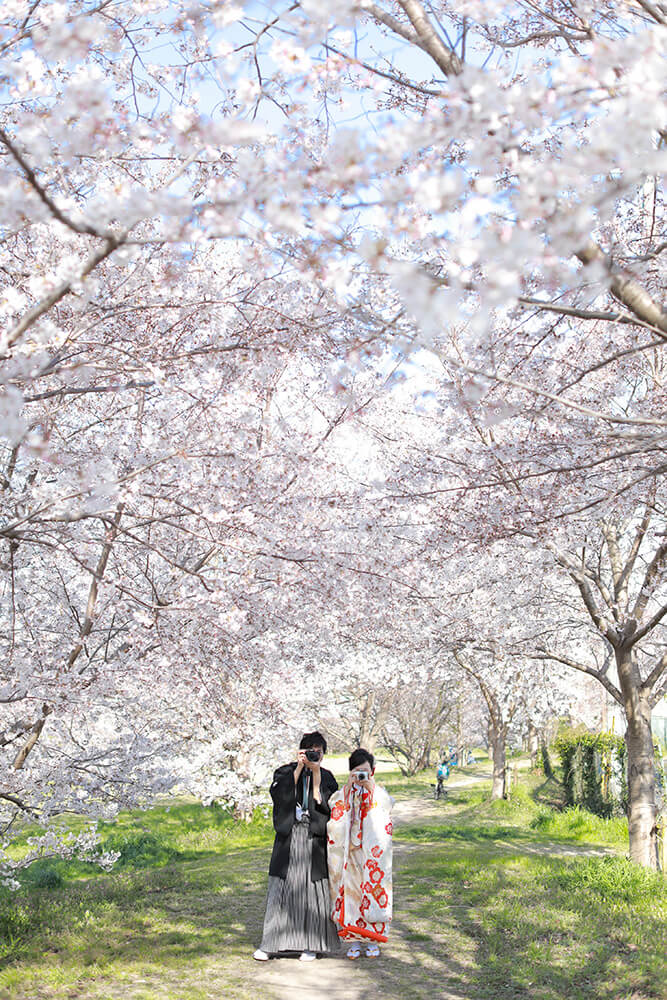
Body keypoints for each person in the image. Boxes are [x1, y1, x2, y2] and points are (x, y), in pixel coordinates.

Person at [254, 731, 340, 962]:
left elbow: (325, 804)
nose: (314, 755)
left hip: (314, 838)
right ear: (301, 751)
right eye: (310, 750)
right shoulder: (285, 771)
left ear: (323, 754)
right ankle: (272, 944)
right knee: (282, 888)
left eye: (318, 752)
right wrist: (300, 768)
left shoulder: (328, 776)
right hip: (289, 836)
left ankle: (311, 945)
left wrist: (316, 774)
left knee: (313, 892)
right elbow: (280, 795)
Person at [327, 748, 393, 960]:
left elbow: (386, 812)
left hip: (372, 857)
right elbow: (334, 814)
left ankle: (373, 940)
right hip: (350, 854)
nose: (361, 776)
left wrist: (370, 788)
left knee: (374, 893)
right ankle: (354, 941)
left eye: (365, 771)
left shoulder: (379, 793)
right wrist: (348, 789)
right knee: (351, 897)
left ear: (372, 771)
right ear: (351, 772)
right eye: (357, 771)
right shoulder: (344, 794)